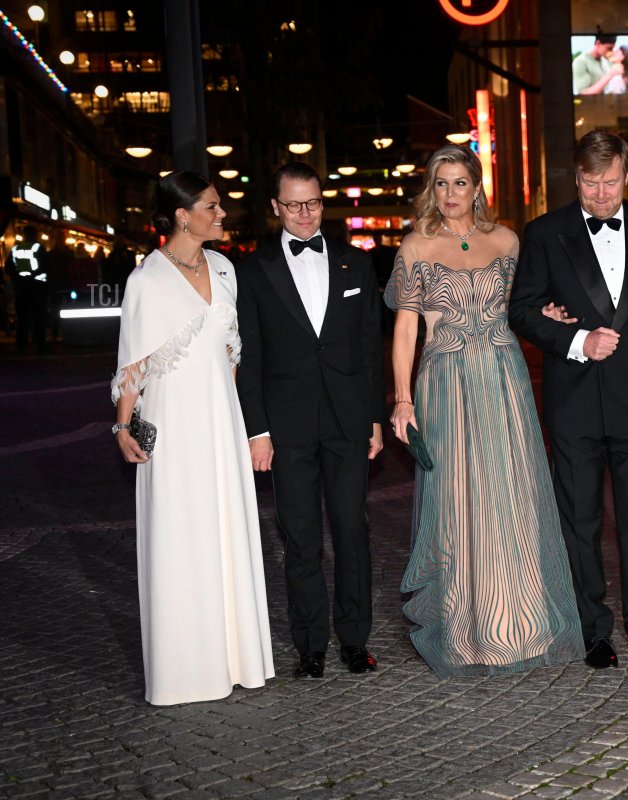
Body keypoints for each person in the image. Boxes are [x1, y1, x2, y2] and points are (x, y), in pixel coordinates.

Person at [384, 145, 584, 678]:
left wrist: (545, 311)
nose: (451, 194)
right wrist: (402, 399)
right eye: (441, 183)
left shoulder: (508, 241)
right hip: (445, 382)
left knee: (511, 495)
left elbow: (522, 306)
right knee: (457, 502)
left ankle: (523, 624)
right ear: (432, 189)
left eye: (460, 183)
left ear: (478, 187)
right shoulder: (416, 245)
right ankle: (467, 630)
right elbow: (406, 328)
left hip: (503, 377)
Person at [509, 130, 628, 670]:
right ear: (576, 178)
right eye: (590, 184)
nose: (600, 195)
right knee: (580, 522)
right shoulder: (545, 233)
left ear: (626, 176)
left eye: (610, 183)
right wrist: (575, 340)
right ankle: (593, 631)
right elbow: (521, 310)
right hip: (575, 401)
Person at [111, 171, 274, 705]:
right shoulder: (147, 279)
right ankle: (185, 667)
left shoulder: (224, 268)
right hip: (174, 420)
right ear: (182, 214)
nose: (221, 214)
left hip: (219, 418)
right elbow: (132, 363)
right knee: (180, 534)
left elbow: (231, 354)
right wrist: (122, 425)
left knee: (224, 526)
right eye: (212, 206)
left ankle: (233, 657)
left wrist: (240, 421)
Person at [235, 162, 386, 679]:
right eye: (294, 204)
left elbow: (370, 346)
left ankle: (354, 640)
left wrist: (374, 417)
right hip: (287, 426)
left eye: (314, 203)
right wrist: (258, 430)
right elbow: (248, 359)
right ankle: (310, 646)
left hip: (348, 421)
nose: (305, 214)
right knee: (299, 537)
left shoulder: (355, 263)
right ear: (274, 207)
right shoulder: (252, 272)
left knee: (352, 531)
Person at [5, 226, 49, 353]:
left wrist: (18, 277)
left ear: (24, 235)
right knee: (38, 318)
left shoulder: (16, 249)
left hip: (21, 288)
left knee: (22, 318)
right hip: (37, 288)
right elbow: (46, 267)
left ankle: (21, 344)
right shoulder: (39, 248)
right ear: (35, 235)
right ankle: (40, 345)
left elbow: (8, 269)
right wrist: (32, 275)